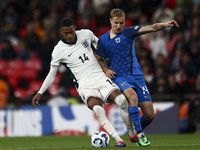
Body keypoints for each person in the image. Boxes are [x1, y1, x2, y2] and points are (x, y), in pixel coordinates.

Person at [32, 17, 138, 147]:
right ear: (61, 32)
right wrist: (40, 92)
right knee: (98, 109)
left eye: (71, 32)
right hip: (84, 84)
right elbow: (52, 74)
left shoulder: (86, 34)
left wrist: (109, 60)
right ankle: (119, 140)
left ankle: (131, 132)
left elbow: (101, 47)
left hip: (100, 76)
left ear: (75, 28)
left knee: (121, 100)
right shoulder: (58, 50)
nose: (70, 35)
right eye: (66, 33)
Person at [95, 8, 179, 147]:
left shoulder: (128, 32)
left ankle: (133, 131)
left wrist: (164, 25)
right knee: (132, 97)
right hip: (119, 77)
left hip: (137, 76)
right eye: (116, 23)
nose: (119, 26)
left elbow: (151, 28)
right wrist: (106, 70)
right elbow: (96, 58)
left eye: (121, 23)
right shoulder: (103, 40)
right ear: (110, 20)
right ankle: (140, 136)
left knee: (150, 115)